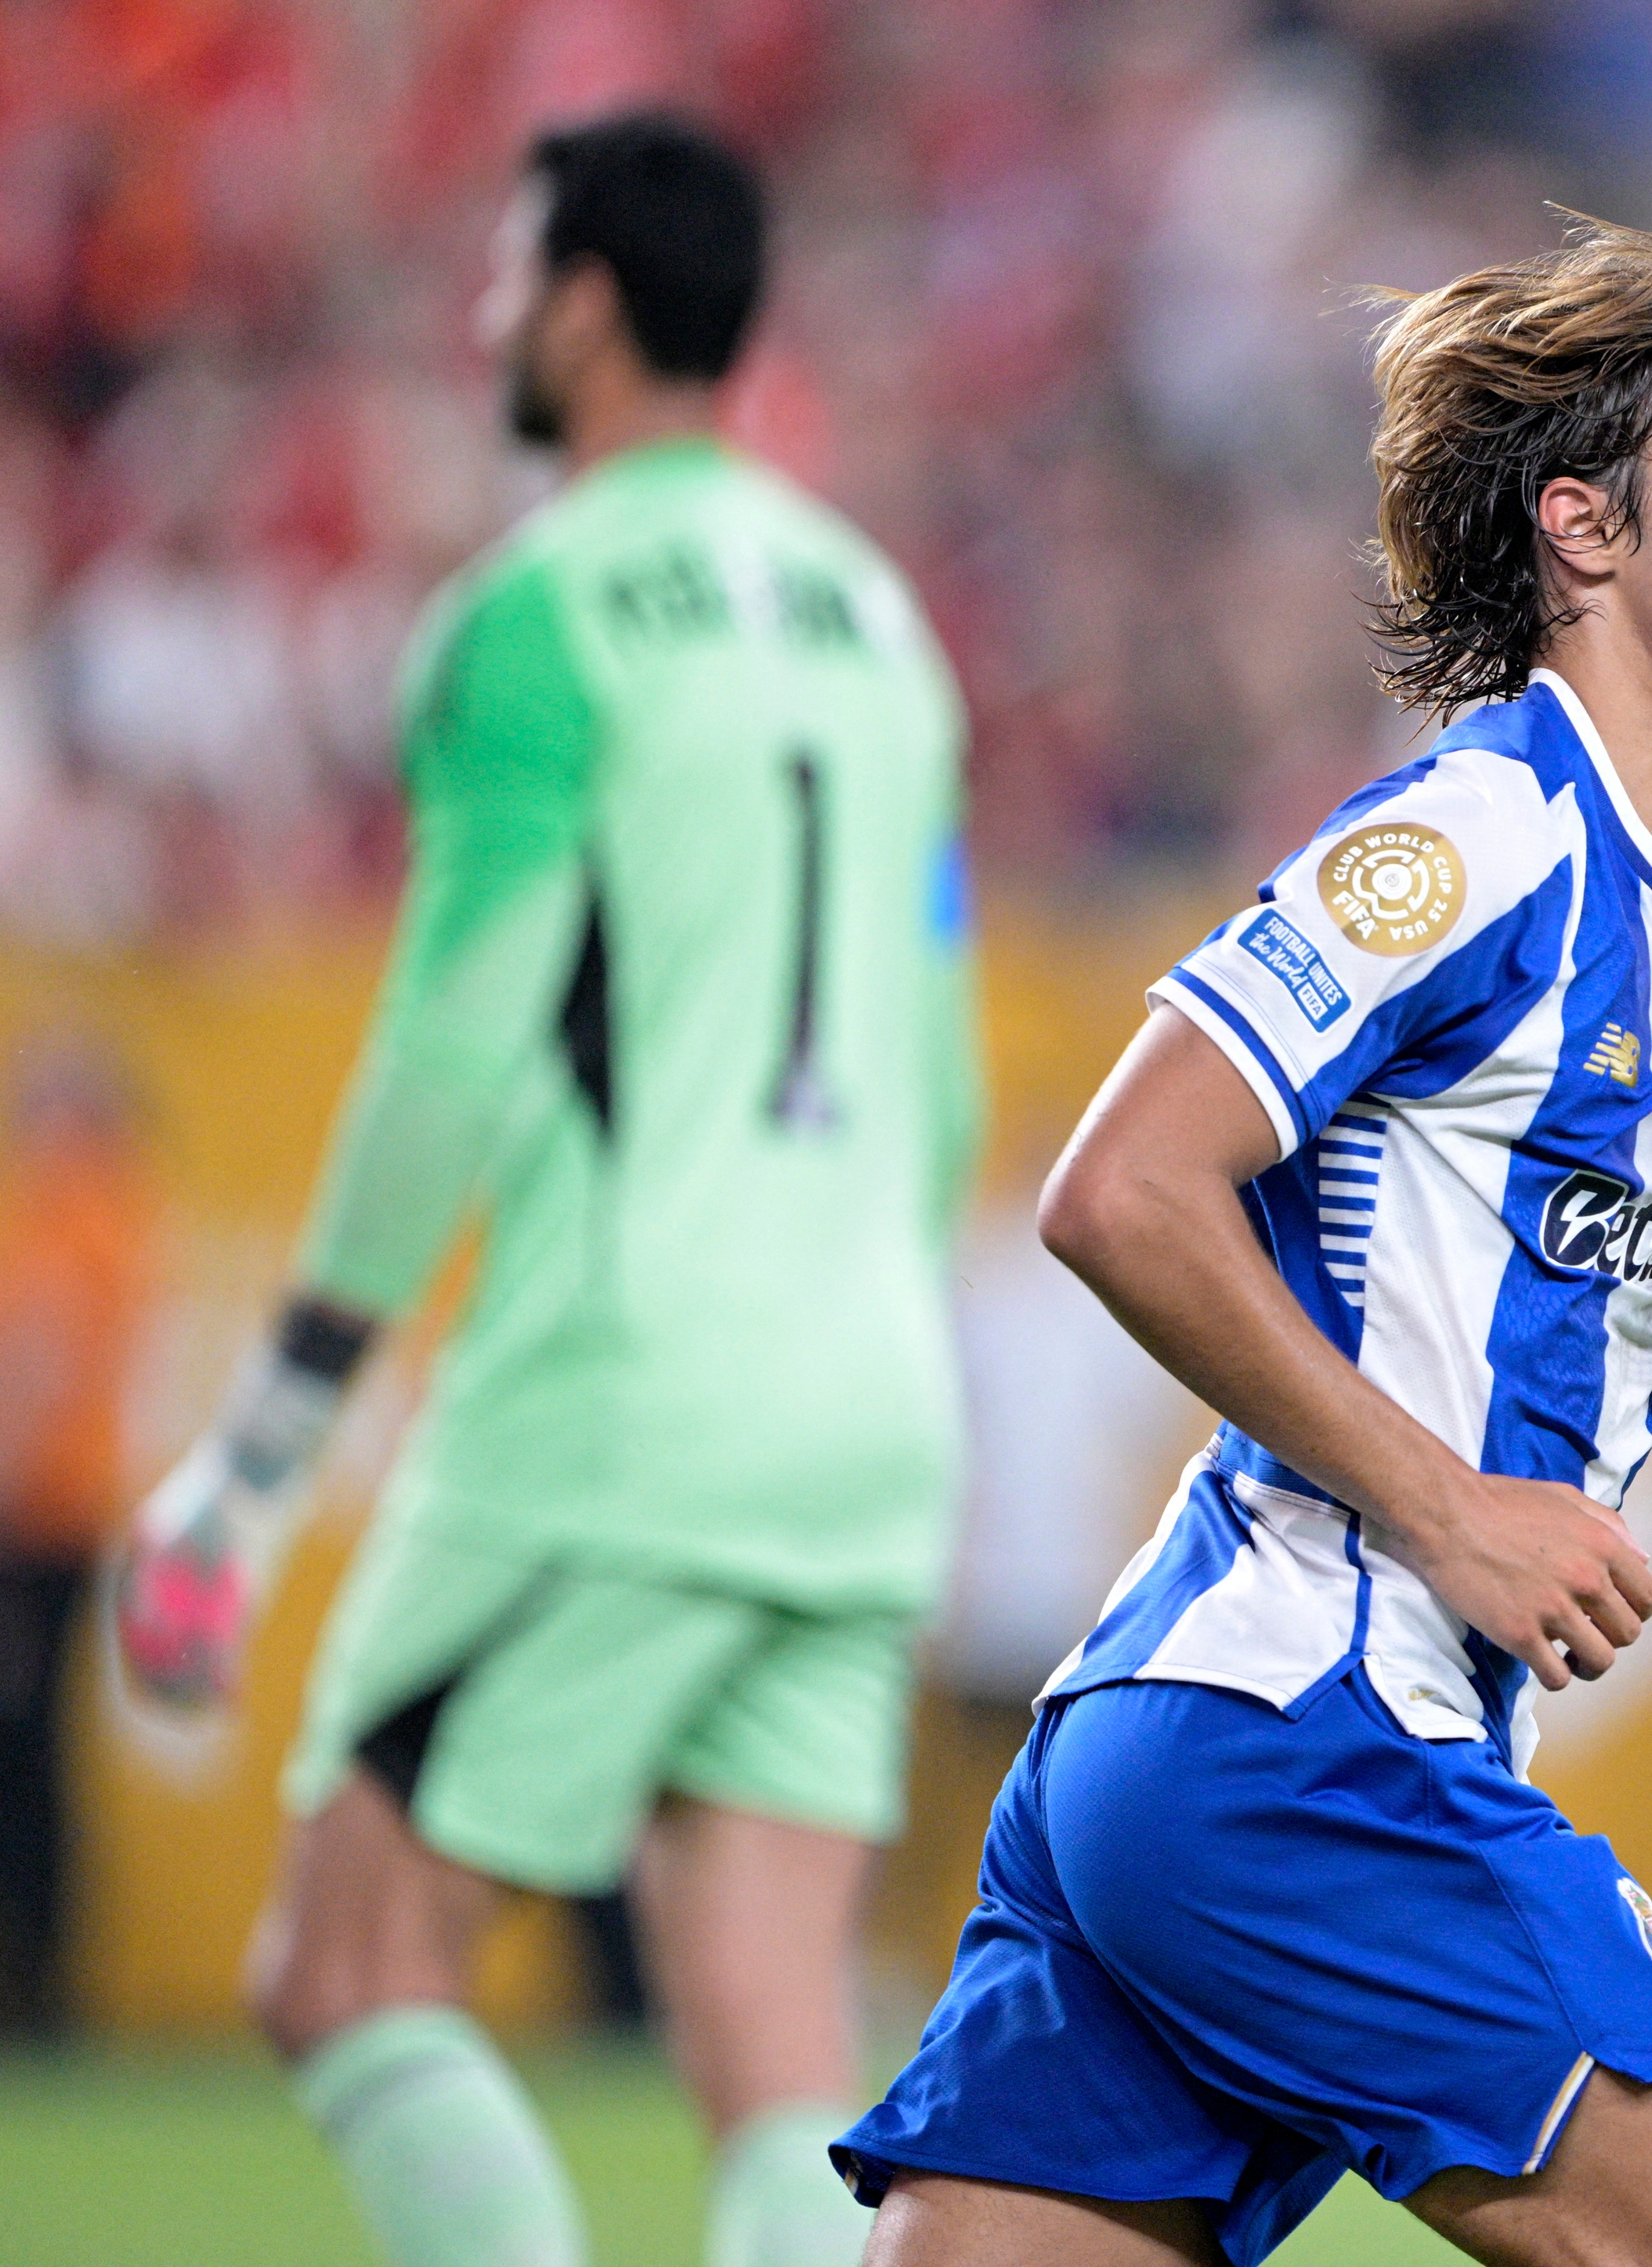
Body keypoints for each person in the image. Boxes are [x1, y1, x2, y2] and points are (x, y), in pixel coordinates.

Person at [841, 216, 1652, 2267]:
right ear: (1583, 529)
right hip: (1309, 1729)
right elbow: (1121, 1189)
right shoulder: (1464, 839)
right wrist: (1450, 1510)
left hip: (1192, 1750)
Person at [106, 110, 982, 2267]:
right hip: (870, 1400)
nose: (491, 313)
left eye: (510, 274)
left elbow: (457, 1039)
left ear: (583, 302)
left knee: (345, 1967)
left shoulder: (540, 610)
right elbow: (945, 1088)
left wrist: (265, 1439)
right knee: (777, 2047)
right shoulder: (885, 627)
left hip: (627, 1394)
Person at [0, 1037, 150, 2034]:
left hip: (37, 1522)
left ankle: (36, 1976)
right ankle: (42, 1972)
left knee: (26, 1753)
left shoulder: (69, 1215)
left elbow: (35, 1369)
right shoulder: (116, 1213)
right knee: (41, 1750)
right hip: (68, 1516)